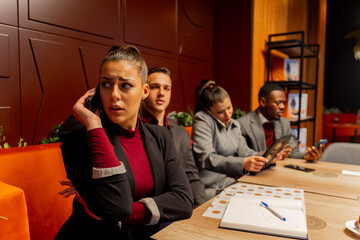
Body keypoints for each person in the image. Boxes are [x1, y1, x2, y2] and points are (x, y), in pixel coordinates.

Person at [55, 45, 193, 240]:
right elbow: (117, 205)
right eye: (106, 84)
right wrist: (94, 124)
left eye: (125, 85)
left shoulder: (161, 136)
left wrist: (120, 214)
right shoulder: (83, 136)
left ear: (144, 90)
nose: (114, 95)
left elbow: (184, 201)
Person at [192, 83, 273, 200]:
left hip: (226, 182)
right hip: (207, 187)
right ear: (208, 110)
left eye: (229, 107)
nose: (227, 114)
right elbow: (207, 158)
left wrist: (265, 157)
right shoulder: (202, 119)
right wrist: (242, 163)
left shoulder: (234, 124)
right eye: (220, 112)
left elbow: (245, 151)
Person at [140, 66, 206, 208]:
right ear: (144, 90)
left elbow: (192, 176)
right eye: (155, 87)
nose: (161, 93)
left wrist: (201, 209)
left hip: (178, 208)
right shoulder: (135, 129)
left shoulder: (181, 133)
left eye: (166, 88)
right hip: (147, 209)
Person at [238, 83, 323, 161]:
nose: (282, 107)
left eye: (284, 102)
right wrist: (274, 154)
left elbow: (293, 151)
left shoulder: (284, 122)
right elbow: (243, 154)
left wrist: (306, 156)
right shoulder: (243, 124)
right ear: (263, 102)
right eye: (278, 103)